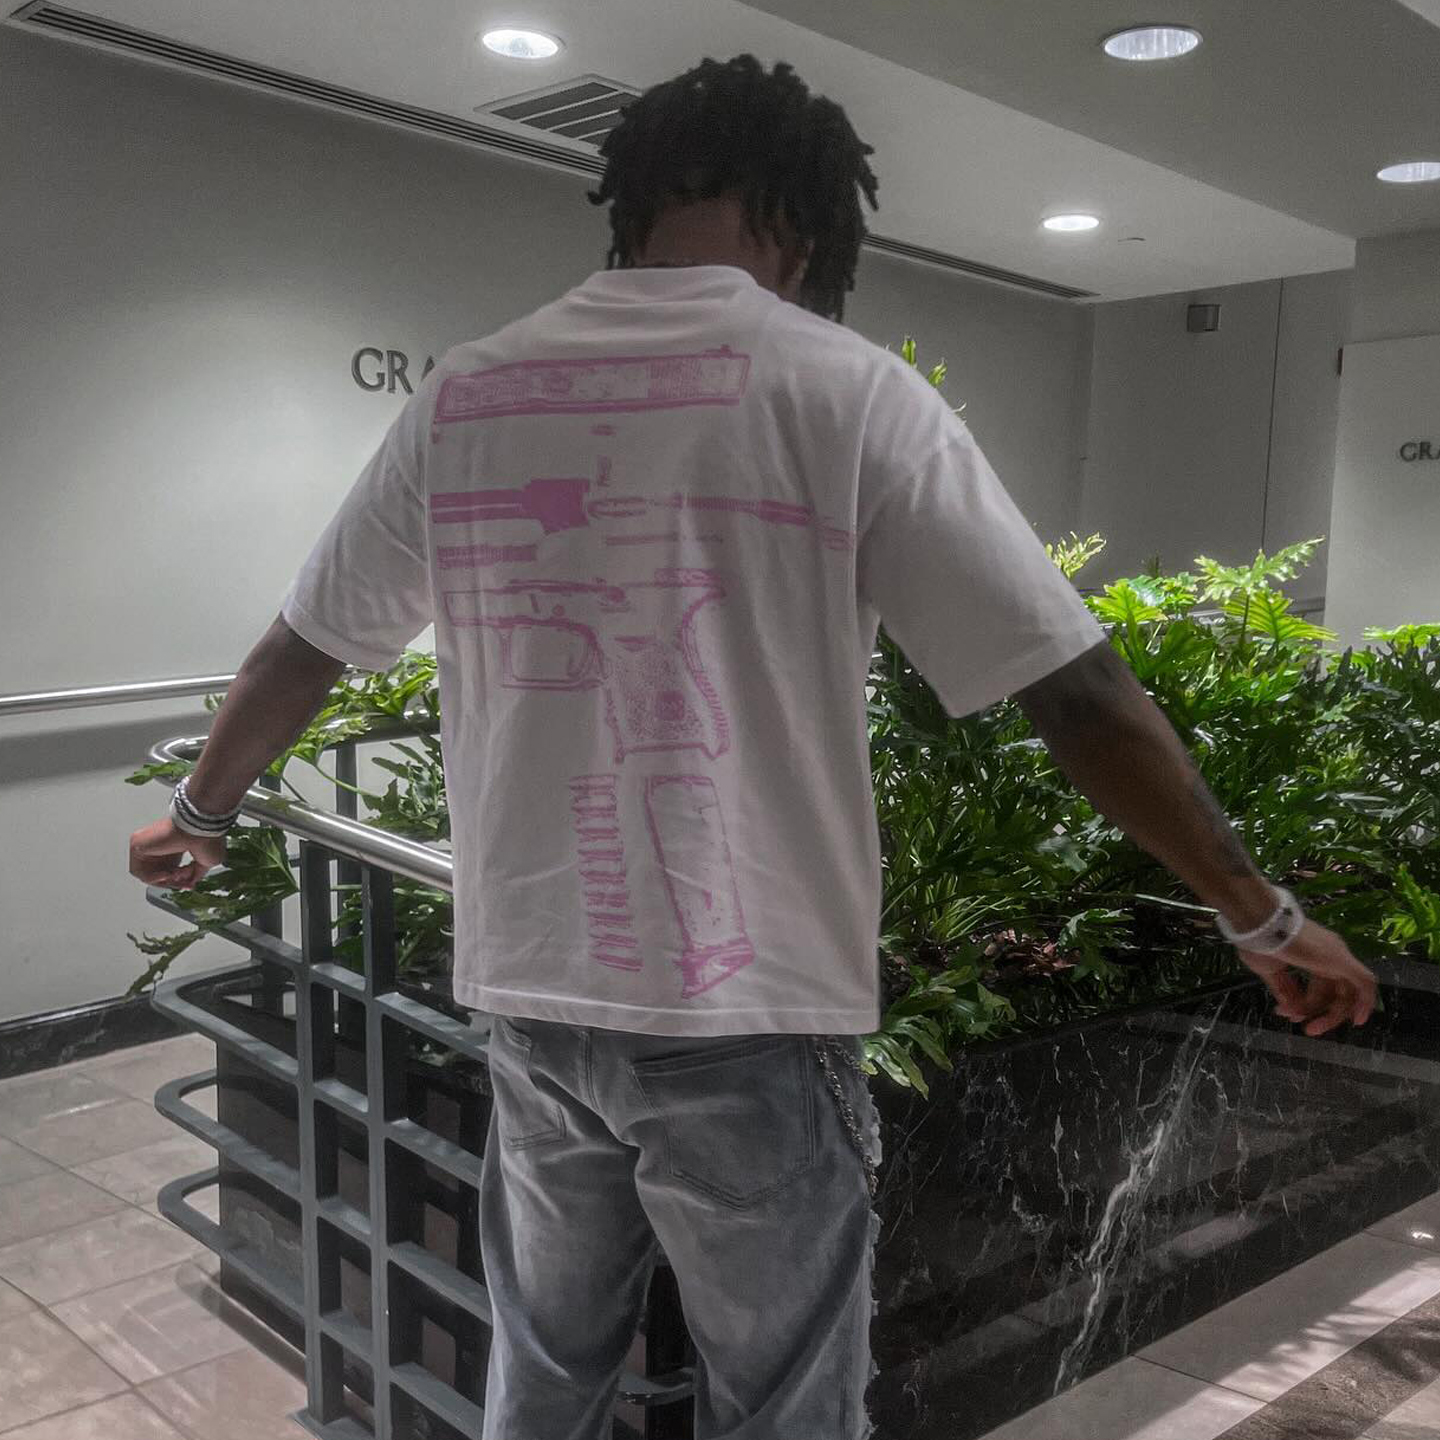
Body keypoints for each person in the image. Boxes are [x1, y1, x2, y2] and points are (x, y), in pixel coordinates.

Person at [128, 53, 1377, 1440]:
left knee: (545, 1371)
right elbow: (1073, 694)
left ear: (636, 201)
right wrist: (1261, 916)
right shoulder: (846, 390)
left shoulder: (468, 393)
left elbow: (303, 645)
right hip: (750, 1012)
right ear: (808, 221)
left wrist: (202, 815)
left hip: (537, 998)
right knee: (784, 1408)